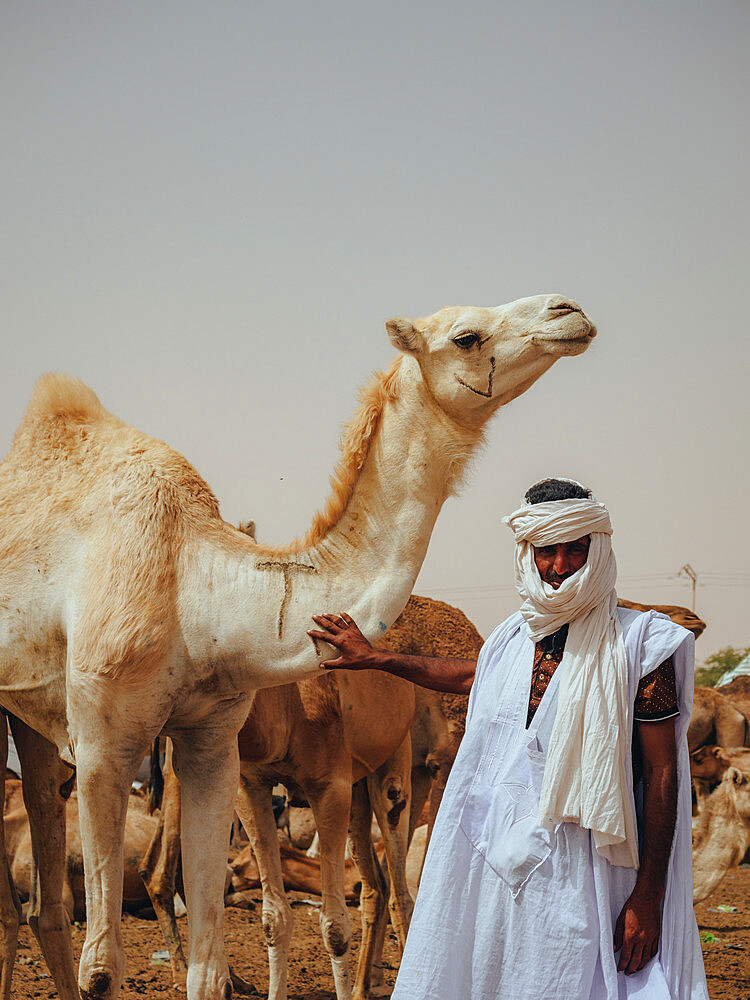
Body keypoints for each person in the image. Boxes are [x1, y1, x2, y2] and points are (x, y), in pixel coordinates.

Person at [308, 478, 708, 1000]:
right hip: (500, 867)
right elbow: (477, 676)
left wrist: (649, 894)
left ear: (598, 549)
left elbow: (661, 772)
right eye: (547, 551)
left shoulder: (641, 645)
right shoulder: (515, 638)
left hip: (593, 875)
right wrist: (378, 658)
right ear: (529, 552)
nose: (560, 566)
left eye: (574, 550)